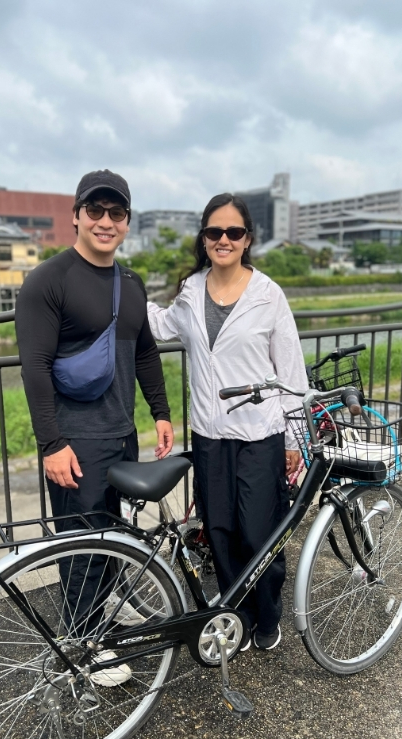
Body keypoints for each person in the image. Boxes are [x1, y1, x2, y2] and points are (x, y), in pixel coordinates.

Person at [15, 169, 174, 686]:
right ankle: (81, 646)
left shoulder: (130, 283)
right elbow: (34, 367)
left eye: (117, 213)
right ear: (77, 216)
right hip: (75, 440)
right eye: (96, 211)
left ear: (127, 221)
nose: (106, 221)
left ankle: (104, 610)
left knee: (115, 532)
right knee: (81, 545)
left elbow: (145, 351)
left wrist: (161, 411)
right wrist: (52, 443)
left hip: (121, 433)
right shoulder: (48, 280)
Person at [145, 193, 308, 651]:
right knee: (219, 529)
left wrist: (295, 436)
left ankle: (267, 614)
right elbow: (161, 325)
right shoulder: (191, 290)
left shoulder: (267, 294)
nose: (223, 240)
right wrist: (119, 292)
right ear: (204, 238)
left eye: (233, 232)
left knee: (259, 529)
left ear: (247, 239)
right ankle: (233, 610)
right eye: (214, 232)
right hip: (210, 433)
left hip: (261, 432)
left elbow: (291, 371)